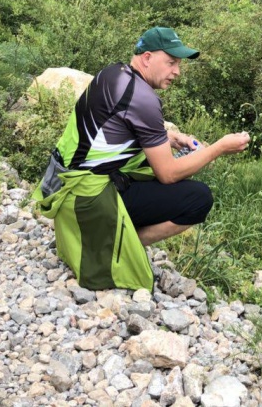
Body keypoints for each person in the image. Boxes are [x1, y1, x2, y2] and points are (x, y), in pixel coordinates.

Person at [32, 26, 250, 291]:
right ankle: (118, 246)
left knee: (151, 164)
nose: (177, 72)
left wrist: (171, 137)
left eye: (179, 64)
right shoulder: (143, 98)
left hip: (65, 186)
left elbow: (113, 128)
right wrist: (217, 148)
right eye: (171, 62)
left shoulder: (113, 74)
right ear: (147, 57)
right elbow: (168, 174)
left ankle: (110, 236)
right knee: (198, 198)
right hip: (87, 198)